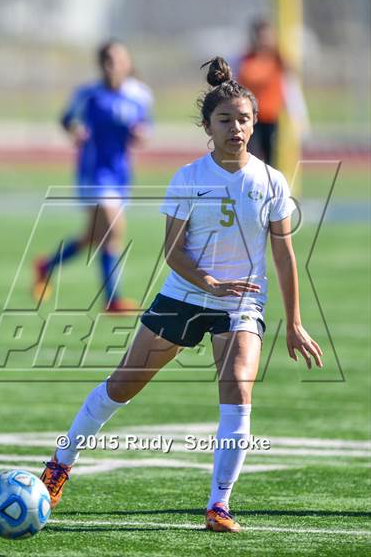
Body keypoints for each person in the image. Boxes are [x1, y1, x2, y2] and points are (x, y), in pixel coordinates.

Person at [40, 57, 323, 533]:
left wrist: (294, 323)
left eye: (244, 119)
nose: (236, 128)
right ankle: (60, 463)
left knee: (237, 387)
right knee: (122, 385)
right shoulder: (189, 178)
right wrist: (208, 283)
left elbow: (285, 256)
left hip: (241, 305)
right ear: (207, 127)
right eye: (225, 120)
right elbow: (172, 252)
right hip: (184, 296)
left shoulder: (272, 181)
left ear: (255, 123)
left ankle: (219, 505)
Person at [33, 40, 153, 312]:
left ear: (128, 63)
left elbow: (145, 126)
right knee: (114, 228)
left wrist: (140, 134)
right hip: (94, 172)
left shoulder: (140, 95)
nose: (113, 65)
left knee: (93, 236)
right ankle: (113, 300)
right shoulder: (88, 94)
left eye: (119, 59)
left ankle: (46, 265)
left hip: (121, 173)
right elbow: (66, 119)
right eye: (108, 60)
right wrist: (74, 130)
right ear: (101, 64)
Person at [236, 19, 287, 166]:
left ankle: (270, 186)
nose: (264, 40)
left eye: (268, 36)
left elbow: (289, 88)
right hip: (248, 116)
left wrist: (298, 114)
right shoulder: (245, 59)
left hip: (270, 117)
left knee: (271, 156)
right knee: (248, 154)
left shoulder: (278, 60)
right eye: (261, 36)